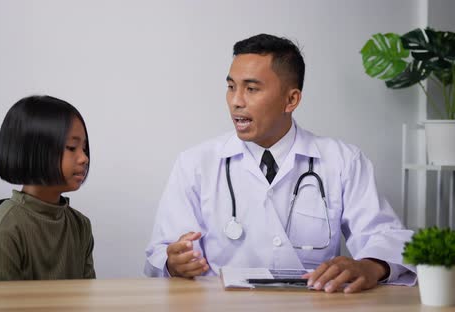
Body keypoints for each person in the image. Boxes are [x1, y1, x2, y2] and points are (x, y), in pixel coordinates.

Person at [144, 34, 416, 293]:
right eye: (231, 87)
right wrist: (173, 263)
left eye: (251, 89)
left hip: (310, 304)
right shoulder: (196, 163)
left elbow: (385, 236)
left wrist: (370, 266)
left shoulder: (343, 161)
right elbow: (160, 253)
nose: (236, 101)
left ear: (291, 99)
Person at [0, 95, 95, 281]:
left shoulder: (80, 226)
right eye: (71, 147)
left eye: (84, 148)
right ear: (33, 152)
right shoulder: (3, 233)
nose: (84, 158)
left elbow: (87, 299)